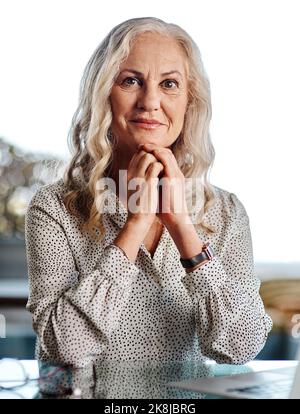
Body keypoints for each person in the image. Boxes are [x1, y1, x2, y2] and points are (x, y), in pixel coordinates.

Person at [25, 17, 272, 370]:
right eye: (130, 81)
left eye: (169, 83)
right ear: (104, 95)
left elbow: (241, 347)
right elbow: (64, 348)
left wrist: (184, 229)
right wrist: (136, 224)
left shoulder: (226, 211)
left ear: (190, 102)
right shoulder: (53, 208)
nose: (150, 101)